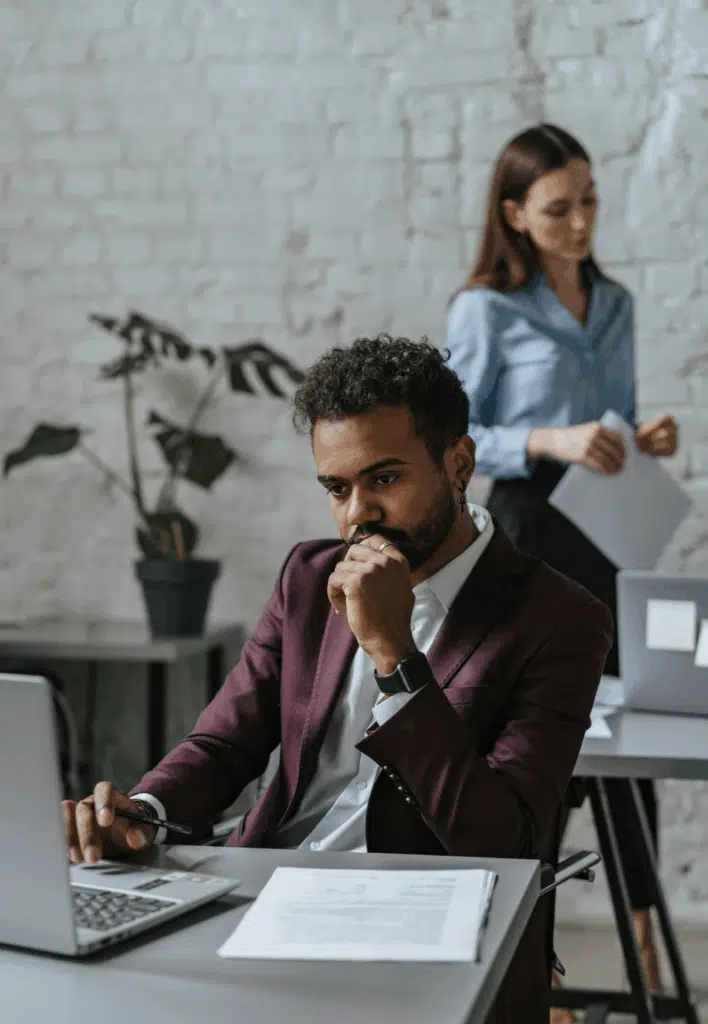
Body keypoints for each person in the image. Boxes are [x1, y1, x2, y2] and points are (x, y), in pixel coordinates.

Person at [62, 335, 612, 1024]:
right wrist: (143, 814)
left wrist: (395, 656)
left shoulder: (560, 619)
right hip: (266, 894)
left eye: (384, 479)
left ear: (459, 463)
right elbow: (223, 745)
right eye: (336, 487)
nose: (357, 515)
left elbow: (501, 844)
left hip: (423, 929)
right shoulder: (307, 577)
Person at [445, 123, 679, 1018]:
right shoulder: (485, 309)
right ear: (513, 213)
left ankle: (650, 962)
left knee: (631, 744)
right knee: (533, 750)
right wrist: (549, 437)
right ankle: (523, 975)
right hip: (527, 531)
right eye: (557, 207)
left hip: (605, 529)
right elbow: (455, 439)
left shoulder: (613, 301)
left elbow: (613, 418)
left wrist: (641, 433)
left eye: (588, 202)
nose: (579, 222)